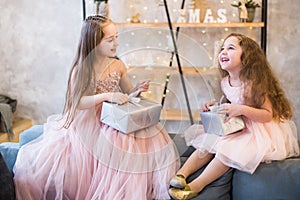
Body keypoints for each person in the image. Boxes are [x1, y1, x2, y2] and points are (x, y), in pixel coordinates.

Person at [13, 14, 180, 200]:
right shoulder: (81, 68)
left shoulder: (117, 64)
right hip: (88, 120)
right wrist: (107, 96)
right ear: (93, 43)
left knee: (141, 136)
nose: (116, 43)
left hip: (111, 116)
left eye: (117, 37)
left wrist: (137, 90)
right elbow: (77, 102)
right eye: (110, 40)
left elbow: (127, 93)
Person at [168, 33, 300, 200]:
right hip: (237, 125)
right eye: (222, 48)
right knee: (208, 142)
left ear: (246, 58)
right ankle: (180, 175)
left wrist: (241, 109)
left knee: (226, 151)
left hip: (257, 129)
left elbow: (267, 115)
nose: (223, 52)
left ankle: (196, 185)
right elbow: (231, 102)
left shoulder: (255, 84)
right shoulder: (226, 82)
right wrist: (216, 106)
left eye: (230, 48)